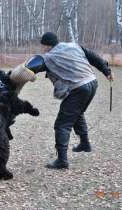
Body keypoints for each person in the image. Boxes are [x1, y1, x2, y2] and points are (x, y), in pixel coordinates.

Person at [23, 32, 114, 169]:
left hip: (78, 88)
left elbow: (32, 66)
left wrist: (18, 74)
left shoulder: (49, 57)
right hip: (92, 82)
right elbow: (93, 57)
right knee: (77, 113)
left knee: (62, 124)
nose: (43, 48)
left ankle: (62, 161)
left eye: (43, 46)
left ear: (46, 45)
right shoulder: (74, 46)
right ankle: (85, 144)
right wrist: (106, 71)